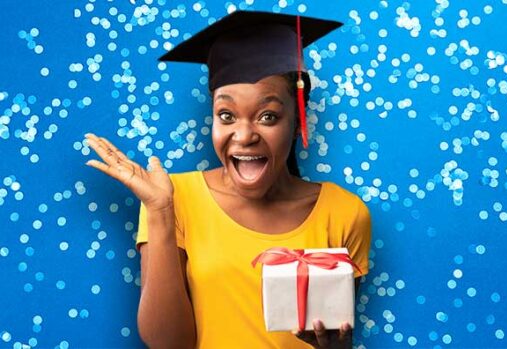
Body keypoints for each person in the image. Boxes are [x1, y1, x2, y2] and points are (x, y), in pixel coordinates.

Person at [85, 10, 371, 349]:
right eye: (227, 115)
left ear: (297, 122)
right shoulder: (172, 197)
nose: (244, 135)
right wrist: (161, 212)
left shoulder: (344, 212)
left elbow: (336, 340)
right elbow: (167, 343)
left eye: (268, 116)